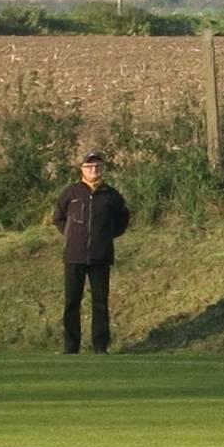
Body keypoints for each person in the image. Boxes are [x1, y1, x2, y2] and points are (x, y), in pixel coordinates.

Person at [52, 151, 131, 354]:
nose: (94, 170)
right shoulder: (71, 192)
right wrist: (72, 235)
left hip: (101, 256)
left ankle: (100, 346)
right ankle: (71, 346)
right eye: (89, 167)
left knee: (100, 303)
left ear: (102, 169)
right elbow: (58, 218)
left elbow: (122, 220)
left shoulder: (111, 195)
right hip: (74, 255)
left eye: (97, 166)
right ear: (82, 169)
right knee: (72, 301)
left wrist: (106, 236)